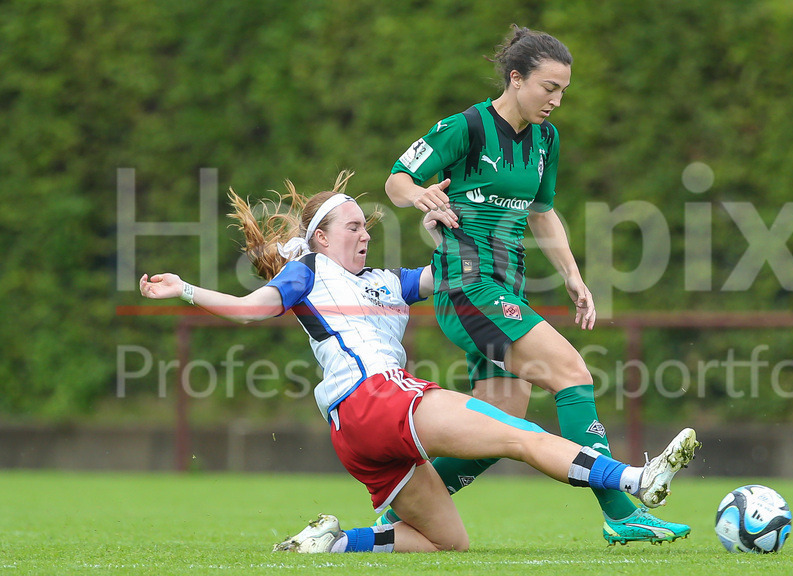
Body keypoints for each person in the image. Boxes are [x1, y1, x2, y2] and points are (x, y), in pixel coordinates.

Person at [138, 172, 701, 553]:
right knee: (519, 433)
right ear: (321, 239)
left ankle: (332, 542)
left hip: (355, 433)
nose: (365, 233)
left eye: (366, 225)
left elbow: (448, 277)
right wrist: (184, 289)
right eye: (353, 227)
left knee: (446, 542)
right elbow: (247, 309)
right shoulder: (308, 271)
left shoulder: (385, 282)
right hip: (378, 398)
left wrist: (446, 234)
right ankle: (636, 480)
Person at [384, 25, 690, 544]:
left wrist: (574, 276)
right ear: (516, 78)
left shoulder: (547, 139)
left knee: (501, 428)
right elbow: (396, 179)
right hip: (467, 287)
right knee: (571, 373)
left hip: (505, 289)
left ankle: (395, 516)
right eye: (549, 87)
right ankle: (622, 513)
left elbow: (542, 213)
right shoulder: (465, 127)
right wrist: (418, 195)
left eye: (563, 90)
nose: (556, 100)